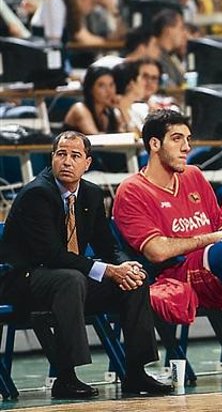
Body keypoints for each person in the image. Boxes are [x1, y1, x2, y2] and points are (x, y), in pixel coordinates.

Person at [0, 131, 172, 399]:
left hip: (69, 281)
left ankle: (136, 373)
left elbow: (108, 246)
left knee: (136, 280)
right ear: (52, 158)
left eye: (75, 156)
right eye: (61, 154)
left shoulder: (91, 194)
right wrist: (108, 271)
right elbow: (51, 255)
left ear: (87, 163)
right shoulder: (37, 194)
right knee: (70, 279)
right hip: (24, 280)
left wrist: (125, 266)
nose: (67, 162)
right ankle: (66, 378)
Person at [112, 109, 222, 374]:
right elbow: (157, 251)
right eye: (177, 139)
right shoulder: (132, 190)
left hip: (216, 269)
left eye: (188, 139)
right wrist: (211, 239)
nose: (187, 147)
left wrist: (218, 239)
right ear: (154, 144)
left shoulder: (194, 175)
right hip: (177, 276)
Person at [63, 65, 124, 135]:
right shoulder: (79, 109)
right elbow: (95, 139)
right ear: (90, 89)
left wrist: (122, 109)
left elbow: (126, 134)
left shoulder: (109, 111)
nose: (109, 91)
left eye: (111, 85)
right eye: (102, 86)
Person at [152, 9, 187, 87]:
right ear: (168, 30)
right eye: (181, 28)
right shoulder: (155, 56)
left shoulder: (172, 56)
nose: (184, 34)